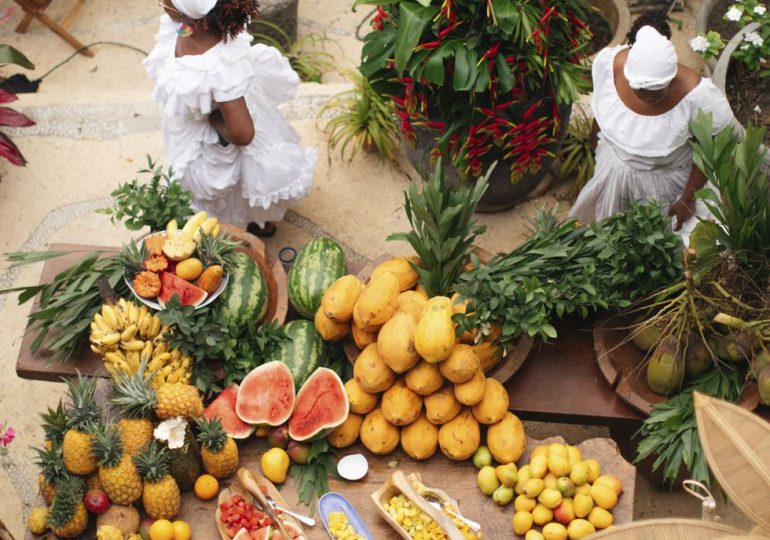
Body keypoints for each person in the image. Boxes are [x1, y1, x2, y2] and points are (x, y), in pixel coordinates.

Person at [145, 0, 317, 237]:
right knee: (233, 192)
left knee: (231, 192)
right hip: (189, 124)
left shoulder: (220, 66)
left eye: (165, 3)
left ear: (189, 16)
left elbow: (243, 134)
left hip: (213, 137)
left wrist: (212, 119)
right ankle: (254, 218)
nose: (162, 5)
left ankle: (251, 222)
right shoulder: (194, 25)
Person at [569, 11, 737, 242]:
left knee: (667, 244)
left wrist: (688, 198)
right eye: (641, 92)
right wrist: (596, 141)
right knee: (615, 239)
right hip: (617, 176)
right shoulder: (609, 65)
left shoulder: (699, 97)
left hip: (668, 187)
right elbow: (601, 105)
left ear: (672, 77)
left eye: (657, 93)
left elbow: (710, 149)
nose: (649, 98)